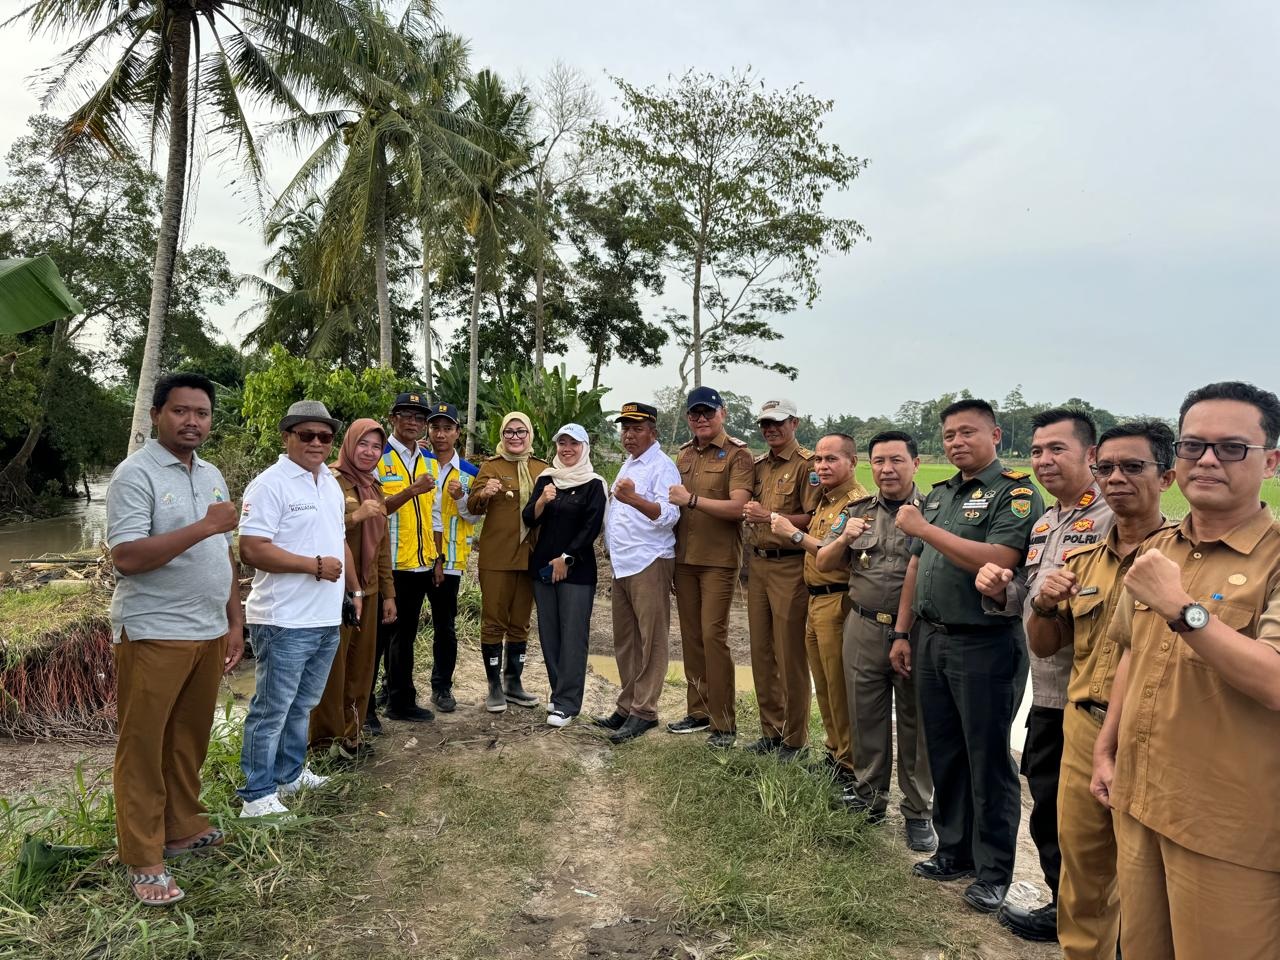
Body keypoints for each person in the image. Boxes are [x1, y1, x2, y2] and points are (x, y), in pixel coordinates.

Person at [1091, 382, 1280, 960]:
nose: (1208, 460)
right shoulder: (1160, 550)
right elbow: (1132, 653)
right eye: (1193, 446)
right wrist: (1106, 748)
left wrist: (1182, 609)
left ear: (1271, 461)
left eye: (1232, 448)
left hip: (1226, 824)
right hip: (1141, 800)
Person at [987, 420, 1174, 960]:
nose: (1116, 479)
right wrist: (1042, 603)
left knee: (1146, 875)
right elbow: (1045, 641)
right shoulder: (1069, 543)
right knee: (1077, 856)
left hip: (1153, 729)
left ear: (1167, 477)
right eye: (1107, 468)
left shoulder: (1181, 557)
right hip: (1074, 711)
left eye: (1132, 467)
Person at [891, 398, 1043, 915]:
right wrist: (903, 632)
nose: (956, 442)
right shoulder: (941, 494)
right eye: (949, 435)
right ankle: (953, 850)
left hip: (985, 643)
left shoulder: (1015, 493)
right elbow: (917, 567)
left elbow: (1000, 558)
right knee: (946, 751)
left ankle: (994, 871)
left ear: (995, 435)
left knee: (988, 758)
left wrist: (923, 528)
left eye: (967, 432)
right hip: (932, 638)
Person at [106, 372, 244, 907]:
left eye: (202, 413)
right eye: (181, 411)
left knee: (188, 738)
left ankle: (183, 827)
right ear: (156, 415)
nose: (192, 421)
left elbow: (223, 554)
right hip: (153, 630)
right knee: (143, 746)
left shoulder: (210, 473)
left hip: (208, 629)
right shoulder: (134, 474)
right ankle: (144, 857)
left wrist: (234, 621)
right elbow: (126, 557)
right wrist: (205, 526)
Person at [982, 408, 1115, 942]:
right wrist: (1002, 590)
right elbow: (1031, 596)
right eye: (1037, 450)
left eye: (1057, 449)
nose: (1043, 460)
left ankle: (1101, 927)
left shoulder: (1112, 518)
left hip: (1093, 695)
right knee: (1050, 808)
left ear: (1090, 454)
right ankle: (1063, 909)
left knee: (1090, 820)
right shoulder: (1044, 523)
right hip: (1049, 691)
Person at [814, 430, 935, 853]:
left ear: (915, 464)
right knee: (865, 714)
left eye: (896, 460)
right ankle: (869, 797)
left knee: (916, 721)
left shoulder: (934, 512)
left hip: (916, 631)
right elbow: (823, 560)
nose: (887, 469)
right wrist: (844, 537)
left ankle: (918, 811)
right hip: (863, 625)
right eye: (879, 461)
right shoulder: (856, 511)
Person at [237, 400, 360, 818]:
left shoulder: (329, 484)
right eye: (307, 435)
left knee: (302, 704)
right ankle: (256, 794)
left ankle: (289, 774)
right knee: (271, 709)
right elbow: (251, 549)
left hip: (325, 617)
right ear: (287, 436)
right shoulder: (270, 485)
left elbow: (338, 540)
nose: (317, 443)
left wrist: (353, 590)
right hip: (284, 619)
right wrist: (313, 566)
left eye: (325, 436)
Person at [769, 434, 868, 781]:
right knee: (823, 684)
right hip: (815, 599)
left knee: (839, 686)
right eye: (819, 459)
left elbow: (830, 555)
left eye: (832, 459)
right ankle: (834, 751)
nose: (822, 466)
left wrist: (792, 533)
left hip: (837, 600)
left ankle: (849, 763)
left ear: (852, 462)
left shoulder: (856, 504)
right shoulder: (826, 500)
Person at [667, 387, 754, 748]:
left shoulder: (738, 455)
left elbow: (739, 509)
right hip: (684, 560)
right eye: (694, 413)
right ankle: (699, 711)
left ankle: (724, 723)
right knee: (691, 637)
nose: (701, 419)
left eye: (708, 412)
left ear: (723, 413)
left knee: (713, 637)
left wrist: (692, 500)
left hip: (718, 561)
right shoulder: (684, 454)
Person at [309, 419, 397, 762]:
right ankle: (322, 743)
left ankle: (351, 736)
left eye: (376, 447)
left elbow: (382, 546)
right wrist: (356, 516)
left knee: (361, 667)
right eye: (364, 444)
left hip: (369, 589)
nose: (370, 452)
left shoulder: (375, 486)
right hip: (335, 589)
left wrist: (389, 593)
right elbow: (318, 529)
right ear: (349, 444)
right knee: (332, 668)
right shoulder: (329, 481)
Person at [596, 402, 681, 744]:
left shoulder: (662, 466)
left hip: (650, 561)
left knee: (652, 640)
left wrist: (633, 500)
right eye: (625, 428)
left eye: (637, 428)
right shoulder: (629, 463)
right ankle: (627, 705)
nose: (629, 435)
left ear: (653, 431)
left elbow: (670, 515)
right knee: (626, 640)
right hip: (623, 564)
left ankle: (645, 711)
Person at [742, 399, 820, 758]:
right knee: (761, 651)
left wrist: (768, 516)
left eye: (777, 422)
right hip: (758, 564)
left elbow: (814, 518)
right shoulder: (759, 465)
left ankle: (795, 740)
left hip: (789, 565)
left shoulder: (807, 465)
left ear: (794, 423)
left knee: (790, 655)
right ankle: (770, 731)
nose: (770, 429)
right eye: (765, 424)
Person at [522, 424, 607, 726]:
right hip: (544, 570)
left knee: (573, 636)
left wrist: (567, 558)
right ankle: (559, 694)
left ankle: (568, 704)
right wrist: (542, 500)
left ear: (584, 448)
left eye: (573, 443)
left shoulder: (594, 484)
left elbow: (591, 527)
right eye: (562, 443)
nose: (567, 449)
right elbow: (529, 518)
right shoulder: (547, 479)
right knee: (550, 635)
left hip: (577, 571)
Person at [468, 412, 549, 712]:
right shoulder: (491, 466)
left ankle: (514, 683)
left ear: (530, 435)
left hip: (531, 557)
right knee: (493, 622)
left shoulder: (543, 469)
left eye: (521, 431)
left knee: (521, 623)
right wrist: (484, 493)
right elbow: (473, 507)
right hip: (497, 557)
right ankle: (494, 687)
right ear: (502, 435)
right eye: (509, 432)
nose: (515, 437)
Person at [371, 392, 439, 727]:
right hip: (389, 565)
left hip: (420, 563)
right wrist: (411, 490)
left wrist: (436, 558)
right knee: (377, 640)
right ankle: (364, 708)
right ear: (392, 418)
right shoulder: (377, 456)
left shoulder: (428, 460)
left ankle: (399, 699)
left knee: (405, 637)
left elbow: (433, 513)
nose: (413, 422)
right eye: (406, 415)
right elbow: (373, 510)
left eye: (419, 417)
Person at [420, 401, 480, 713]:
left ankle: (441, 687)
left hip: (451, 560)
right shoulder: (417, 462)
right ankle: (393, 686)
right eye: (435, 427)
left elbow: (474, 517)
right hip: (415, 556)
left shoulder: (470, 473)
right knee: (401, 625)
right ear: (428, 430)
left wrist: (461, 498)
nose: (440, 434)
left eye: (447, 428)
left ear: (457, 432)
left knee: (445, 627)